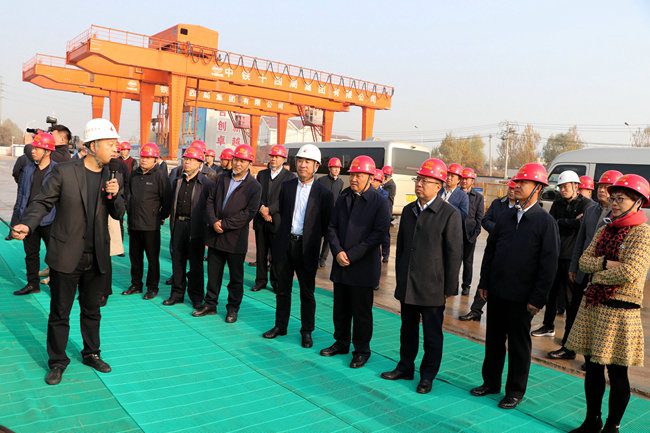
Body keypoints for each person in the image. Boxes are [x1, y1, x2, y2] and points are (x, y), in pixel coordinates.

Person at [12, 118, 125, 386]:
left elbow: (118, 213)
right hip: (66, 254)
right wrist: (27, 224)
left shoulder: (113, 175)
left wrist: (115, 195)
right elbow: (42, 202)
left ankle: (91, 353)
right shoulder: (64, 172)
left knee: (92, 310)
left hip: (96, 256)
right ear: (93, 146)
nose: (116, 149)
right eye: (110, 144)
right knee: (59, 312)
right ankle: (57, 361)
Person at [470, 163, 559, 410]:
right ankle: (491, 383)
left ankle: (515, 391)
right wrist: (485, 282)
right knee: (494, 341)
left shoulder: (545, 222)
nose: (516, 186)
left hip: (523, 298)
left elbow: (548, 265)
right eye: (516, 182)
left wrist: (537, 298)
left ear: (538, 188)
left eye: (523, 182)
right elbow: (490, 252)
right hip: (497, 292)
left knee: (519, 346)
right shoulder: (505, 217)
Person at [566, 174, 650, 433]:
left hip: (620, 312)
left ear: (638, 202)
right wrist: (605, 263)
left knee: (617, 372)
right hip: (594, 306)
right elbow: (584, 261)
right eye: (613, 198)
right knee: (592, 368)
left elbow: (631, 271)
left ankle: (612, 426)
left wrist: (598, 274)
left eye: (620, 199)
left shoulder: (642, 233)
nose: (614, 203)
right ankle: (592, 421)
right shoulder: (605, 229)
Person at [380, 158, 462, 394]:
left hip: (433, 287)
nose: (419, 184)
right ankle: (405, 366)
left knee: (432, 335)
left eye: (426, 181)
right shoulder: (409, 211)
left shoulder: (449, 214)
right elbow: (402, 248)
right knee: (407, 330)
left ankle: (427, 376)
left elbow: (454, 254)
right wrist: (401, 279)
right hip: (408, 284)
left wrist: (449, 288)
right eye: (419, 179)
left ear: (439, 185)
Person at [320, 155, 391, 368]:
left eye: (359, 175)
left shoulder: (379, 202)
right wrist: (338, 251)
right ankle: (341, 342)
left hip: (363, 267)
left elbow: (378, 235)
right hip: (341, 263)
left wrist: (351, 255)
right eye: (352, 175)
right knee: (340, 309)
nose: (353, 179)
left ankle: (361, 350)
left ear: (370, 177)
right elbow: (331, 227)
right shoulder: (343, 198)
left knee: (361, 312)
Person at [263, 144, 333, 347]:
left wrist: (319, 245)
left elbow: (327, 225)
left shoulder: (324, 194)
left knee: (307, 292)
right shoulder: (287, 186)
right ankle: (280, 326)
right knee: (282, 290)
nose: (303, 165)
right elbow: (284, 215)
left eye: (308, 162)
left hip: (307, 247)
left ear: (316, 166)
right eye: (300, 161)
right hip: (285, 245)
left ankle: (307, 331)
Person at [548, 170, 622, 360]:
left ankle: (594, 358)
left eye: (607, 187)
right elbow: (580, 242)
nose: (602, 190)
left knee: (598, 317)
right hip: (583, 271)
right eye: (601, 186)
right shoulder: (591, 211)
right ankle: (568, 347)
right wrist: (574, 267)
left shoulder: (620, 216)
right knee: (573, 310)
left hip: (603, 275)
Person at [194, 144, 261, 323]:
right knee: (213, 274)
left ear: (249, 163)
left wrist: (224, 224)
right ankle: (210, 304)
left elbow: (249, 213)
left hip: (235, 239)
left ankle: (232, 308)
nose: (238, 164)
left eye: (242, 161)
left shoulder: (254, 186)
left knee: (235, 278)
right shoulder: (221, 178)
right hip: (215, 235)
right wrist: (213, 221)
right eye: (236, 160)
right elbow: (209, 201)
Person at [532, 170, 593, 338]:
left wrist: (563, 222)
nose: (563, 189)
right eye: (561, 187)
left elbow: (581, 225)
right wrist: (569, 222)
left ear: (576, 186)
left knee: (570, 298)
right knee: (551, 293)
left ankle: (569, 336)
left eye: (566, 186)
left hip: (572, 258)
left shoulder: (586, 204)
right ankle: (547, 326)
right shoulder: (558, 204)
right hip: (557, 254)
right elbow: (552, 223)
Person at [164, 146, 214, 309]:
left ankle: (196, 297)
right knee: (177, 261)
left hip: (196, 228)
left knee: (196, 264)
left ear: (200, 163)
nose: (187, 162)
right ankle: (177, 294)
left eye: (191, 160)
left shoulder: (206, 184)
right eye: (185, 159)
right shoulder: (177, 181)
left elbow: (210, 208)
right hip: (178, 224)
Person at [459, 180, 515, 321]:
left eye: (514, 189)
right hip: (493, 247)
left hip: (510, 251)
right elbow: (485, 220)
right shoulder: (498, 203)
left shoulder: (521, 208)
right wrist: (499, 230)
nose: (511, 191)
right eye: (510, 188)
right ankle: (476, 311)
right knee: (485, 277)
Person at [122, 143, 171, 300]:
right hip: (134, 223)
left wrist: (159, 216)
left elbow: (167, 200)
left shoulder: (160, 176)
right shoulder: (134, 174)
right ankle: (136, 284)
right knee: (135, 257)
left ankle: (152, 287)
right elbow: (128, 195)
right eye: (143, 156)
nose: (144, 160)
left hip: (151, 225)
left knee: (152, 258)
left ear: (155, 159)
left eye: (148, 157)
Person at [13, 133, 57, 296]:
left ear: (48, 151)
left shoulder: (57, 170)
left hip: (50, 219)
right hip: (29, 220)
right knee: (30, 255)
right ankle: (33, 284)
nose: (33, 151)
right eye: (33, 147)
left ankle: (56, 286)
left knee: (54, 255)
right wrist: (19, 215)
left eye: (38, 148)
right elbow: (22, 194)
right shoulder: (28, 168)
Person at [251, 144, 295, 292]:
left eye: (277, 157)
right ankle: (260, 281)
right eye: (272, 156)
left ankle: (276, 282)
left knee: (277, 254)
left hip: (277, 221)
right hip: (261, 220)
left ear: (283, 159)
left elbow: (286, 199)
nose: (274, 159)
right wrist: (262, 209)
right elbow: (256, 194)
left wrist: (270, 210)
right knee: (261, 253)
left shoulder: (290, 177)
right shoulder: (262, 174)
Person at [459, 167, 484, 296]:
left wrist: (474, 234)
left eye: (467, 179)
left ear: (472, 181)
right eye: (462, 178)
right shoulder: (456, 194)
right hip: (456, 234)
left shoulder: (478, 197)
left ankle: (466, 286)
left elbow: (479, 218)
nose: (464, 181)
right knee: (454, 261)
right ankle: (452, 284)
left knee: (468, 262)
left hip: (469, 235)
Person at [317, 157, 344, 267]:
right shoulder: (321, 180)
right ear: (329, 168)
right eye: (334, 167)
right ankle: (314, 258)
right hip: (320, 215)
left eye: (338, 168)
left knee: (328, 239)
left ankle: (322, 259)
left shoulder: (341, 183)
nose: (336, 170)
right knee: (317, 238)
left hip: (332, 216)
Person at [7, 143, 34, 240]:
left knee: (18, 208)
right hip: (33, 187)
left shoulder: (22, 158)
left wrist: (19, 181)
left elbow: (15, 172)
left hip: (22, 187)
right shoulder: (37, 159)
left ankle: (12, 233)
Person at [372, 169, 391, 264]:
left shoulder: (384, 193)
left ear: (380, 182)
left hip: (382, 218)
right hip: (371, 218)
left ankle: (385, 254)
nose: (373, 182)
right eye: (373, 180)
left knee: (385, 236)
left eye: (376, 180)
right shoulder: (367, 192)